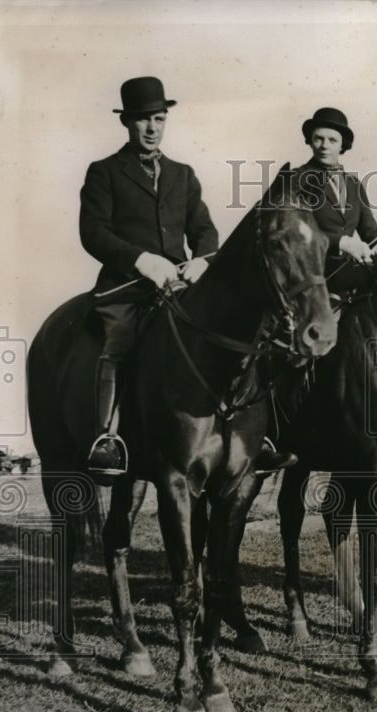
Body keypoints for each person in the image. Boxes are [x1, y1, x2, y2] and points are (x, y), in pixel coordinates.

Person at [81, 77, 286, 475]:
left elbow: (205, 230)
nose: (152, 128)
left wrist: (203, 261)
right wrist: (142, 260)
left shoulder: (183, 174)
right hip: (129, 288)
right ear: (127, 123)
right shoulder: (104, 172)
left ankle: (257, 439)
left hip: (179, 287)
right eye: (143, 120)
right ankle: (107, 438)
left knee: (243, 336)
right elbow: (94, 233)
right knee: (118, 341)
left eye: (159, 118)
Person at [284, 107, 377, 293]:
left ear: (342, 145)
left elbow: (369, 229)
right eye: (318, 138)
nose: (324, 146)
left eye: (332, 140)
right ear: (310, 141)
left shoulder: (354, 184)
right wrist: (341, 242)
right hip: (310, 278)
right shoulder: (296, 179)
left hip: (349, 273)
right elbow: (292, 231)